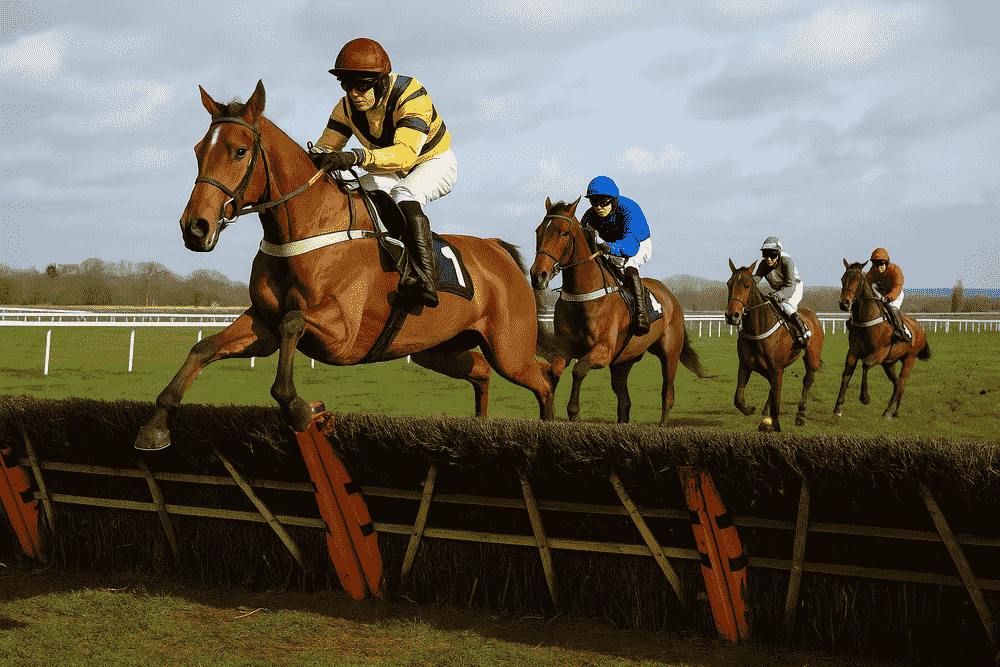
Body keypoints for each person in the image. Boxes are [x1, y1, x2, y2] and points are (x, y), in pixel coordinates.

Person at [309, 38, 456, 308]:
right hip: (388, 168)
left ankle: (425, 277)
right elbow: (325, 148)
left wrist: (357, 156)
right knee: (359, 191)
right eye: (346, 85)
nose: (354, 93)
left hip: (432, 161)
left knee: (404, 192)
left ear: (382, 81)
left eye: (362, 85)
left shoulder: (412, 94)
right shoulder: (345, 108)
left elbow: (405, 155)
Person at [580, 176, 652, 334]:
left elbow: (631, 247)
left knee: (629, 266)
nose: (599, 207)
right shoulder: (589, 215)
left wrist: (608, 248)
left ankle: (641, 315)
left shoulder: (629, 209)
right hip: (609, 245)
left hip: (638, 244)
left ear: (613, 200)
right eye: (594, 202)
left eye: (603, 202)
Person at [754, 237, 811, 346]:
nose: (768, 259)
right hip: (779, 290)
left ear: (778, 254)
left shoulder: (786, 261)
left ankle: (804, 332)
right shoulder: (763, 264)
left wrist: (779, 295)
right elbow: (756, 279)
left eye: (772, 255)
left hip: (794, 287)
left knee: (786, 306)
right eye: (765, 254)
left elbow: (790, 285)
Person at [865, 247, 911, 342]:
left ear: (886, 263)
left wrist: (889, 298)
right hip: (881, 294)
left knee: (892, 309)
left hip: (895, 295)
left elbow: (897, 287)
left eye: (881, 264)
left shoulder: (895, 270)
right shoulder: (872, 272)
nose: (879, 267)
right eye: (876, 265)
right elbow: (866, 283)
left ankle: (902, 332)